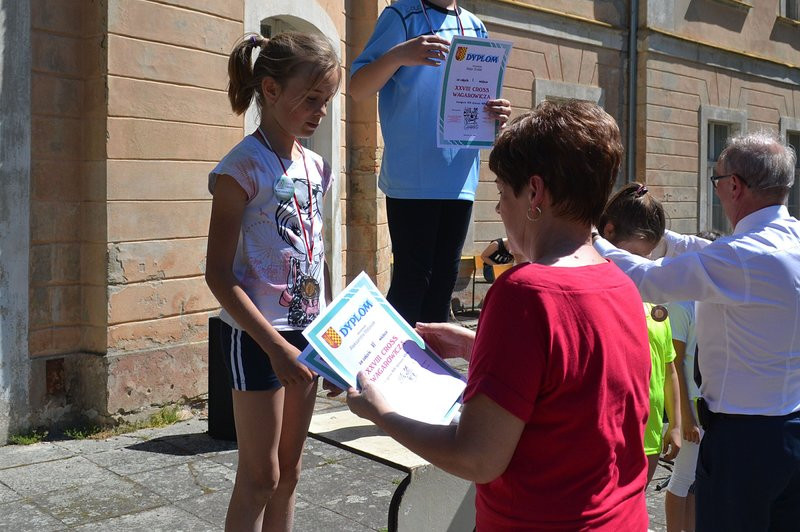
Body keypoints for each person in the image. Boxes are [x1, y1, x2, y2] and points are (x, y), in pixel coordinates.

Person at [347, 100, 652, 530]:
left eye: (502, 192)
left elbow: (476, 457)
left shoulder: (525, 292)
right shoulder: (618, 283)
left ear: (535, 193)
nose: (498, 209)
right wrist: (476, 347)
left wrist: (383, 414)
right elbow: (578, 380)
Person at [593, 131, 800, 531]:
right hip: (789, 430)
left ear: (735, 186)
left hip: (744, 443)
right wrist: (660, 236)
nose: (718, 188)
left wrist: (591, 240)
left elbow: (646, 279)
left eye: (717, 179)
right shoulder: (782, 240)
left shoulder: (742, 255)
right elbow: (708, 251)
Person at [205, 32, 340, 531]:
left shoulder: (317, 166)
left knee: (291, 473)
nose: (320, 112)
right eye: (311, 99)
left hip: (306, 336)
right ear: (270, 90)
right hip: (258, 337)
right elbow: (217, 274)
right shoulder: (240, 168)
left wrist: (329, 336)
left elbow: (316, 253)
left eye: (326, 101)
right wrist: (276, 349)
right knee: (260, 476)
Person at [350, 0, 512, 326]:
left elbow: (478, 99)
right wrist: (398, 55)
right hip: (413, 179)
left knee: (442, 286)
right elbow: (358, 87)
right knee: (413, 281)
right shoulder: (400, 15)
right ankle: (388, 366)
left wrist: (497, 116)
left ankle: (432, 368)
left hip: (460, 179)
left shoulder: (474, 26)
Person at [598, 183, 682, 485]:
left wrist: (674, 423)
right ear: (608, 233)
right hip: (607, 435)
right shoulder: (596, 294)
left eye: (647, 260)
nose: (640, 270)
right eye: (631, 258)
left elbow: (668, 366)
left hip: (647, 435)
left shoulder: (652, 300)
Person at [661, 232, 719, 532]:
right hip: (691, 406)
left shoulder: (706, 300)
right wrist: (684, 418)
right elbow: (676, 363)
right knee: (683, 478)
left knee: (695, 480)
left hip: (706, 402)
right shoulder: (681, 304)